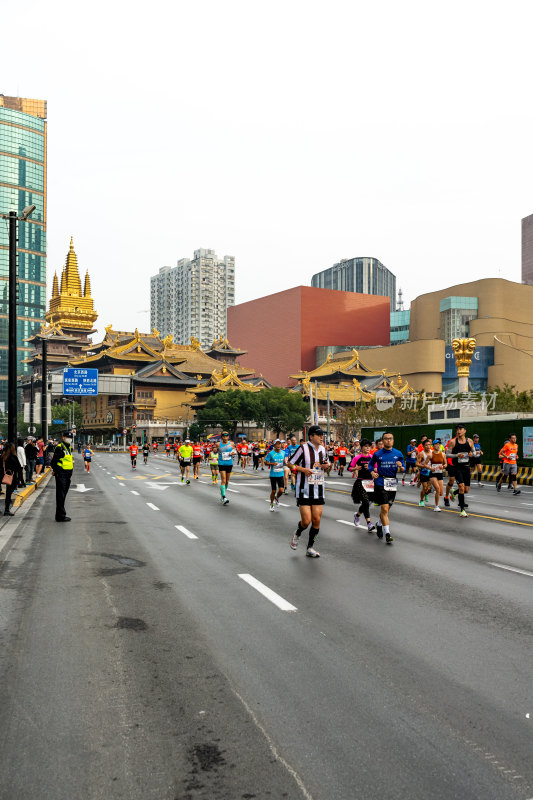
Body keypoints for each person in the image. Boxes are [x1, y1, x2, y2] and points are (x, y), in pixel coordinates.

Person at [288, 425, 329, 558]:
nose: (322, 437)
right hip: (304, 489)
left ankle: (310, 547)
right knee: (306, 521)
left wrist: (327, 466)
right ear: (311, 436)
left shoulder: (323, 450)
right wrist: (303, 470)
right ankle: (298, 533)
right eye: (319, 434)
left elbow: (327, 467)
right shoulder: (303, 448)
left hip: (319, 489)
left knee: (316, 520)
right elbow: (290, 463)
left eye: (323, 434)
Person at [368, 432, 405, 544]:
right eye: (386, 439)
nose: (388, 440)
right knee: (384, 508)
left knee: (387, 509)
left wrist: (401, 467)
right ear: (382, 441)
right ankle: (387, 534)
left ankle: (379, 524)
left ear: (393, 440)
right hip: (380, 482)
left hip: (392, 481)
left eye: (390, 439)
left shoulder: (398, 453)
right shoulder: (377, 454)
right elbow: (371, 465)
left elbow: (403, 468)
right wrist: (372, 473)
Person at [445, 424, 474, 517]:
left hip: (466, 467)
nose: (458, 431)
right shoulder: (453, 442)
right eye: (457, 429)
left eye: (460, 429)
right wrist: (456, 455)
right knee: (461, 487)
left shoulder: (470, 441)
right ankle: (462, 510)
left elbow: (474, 453)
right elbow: (447, 455)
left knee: (466, 490)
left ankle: (454, 492)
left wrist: (471, 454)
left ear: (465, 430)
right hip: (457, 467)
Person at [348, 438, 376, 532]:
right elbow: (349, 468)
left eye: (369, 447)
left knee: (367, 502)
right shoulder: (357, 458)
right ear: (361, 447)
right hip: (360, 482)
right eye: (365, 447)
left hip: (370, 482)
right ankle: (369, 523)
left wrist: (371, 467)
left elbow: (377, 469)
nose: (367, 448)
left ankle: (357, 515)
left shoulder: (372, 457)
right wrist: (356, 468)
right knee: (365, 502)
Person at [51, 430, 74, 522]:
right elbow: (53, 462)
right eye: (68, 437)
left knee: (63, 495)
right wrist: (57, 471)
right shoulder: (59, 448)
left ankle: (60, 514)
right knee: (60, 495)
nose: (69, 439)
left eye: (71, 438)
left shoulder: (69, 448)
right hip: (62, 475)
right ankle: (60, 516)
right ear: (63, 438)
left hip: (68, 475)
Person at [265, 439, 286, 511]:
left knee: (281, 490)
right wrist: (272, 464)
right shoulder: (271, 453)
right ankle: (271, 504)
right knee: (273, 491)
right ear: (274, 445)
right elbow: (266, 462)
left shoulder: (283, 452)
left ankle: (276, 498)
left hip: (281, 474)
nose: (278, 445)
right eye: (277, 444)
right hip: (273, 475)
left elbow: (285, 461)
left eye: (279, 444)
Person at [218, 431, 236, 504]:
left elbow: (234, 450)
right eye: (223, 436)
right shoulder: (218, 444)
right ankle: (224, 496)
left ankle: (222, 494)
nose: (225, 438)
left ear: (228, 437)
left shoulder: (231, 443)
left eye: (226, 436)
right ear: (221, 437)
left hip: (229, 463)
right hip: (221, 463)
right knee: (224, 480)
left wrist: (233, 452)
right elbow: (214, 451)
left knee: (227, 481)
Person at [2, 443, 19, 516]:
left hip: (2, 475)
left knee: (7, 492)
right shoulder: (13, 457)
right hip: (11, 476)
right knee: (9, 493)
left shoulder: (3, 456)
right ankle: (6, 509)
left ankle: (6, 508)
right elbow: (18, 467)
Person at [416, 439, 433, 507]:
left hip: (432, 472)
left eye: (429, 445)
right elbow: (417, 463)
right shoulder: (421, 454)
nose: (428, 446)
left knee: (429, 488)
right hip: (424, 472)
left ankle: (426, 494)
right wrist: (424, 466)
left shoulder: (433, 452)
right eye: (426, 445)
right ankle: (421, 500)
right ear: (423, 446)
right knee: (425, 487)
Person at [429, 439, 445, 511]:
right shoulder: (430, 454)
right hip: (433, 474)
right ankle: (436, 506)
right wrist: (430, 468)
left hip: (440, 473)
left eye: (439, 444)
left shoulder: (443, 454)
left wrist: (443, 466)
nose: (438, 445)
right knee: (438, 489)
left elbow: (446, 464)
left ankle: (430, 489)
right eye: (436, 444)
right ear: (433, 445)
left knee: (441, 493)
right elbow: (425, 464)